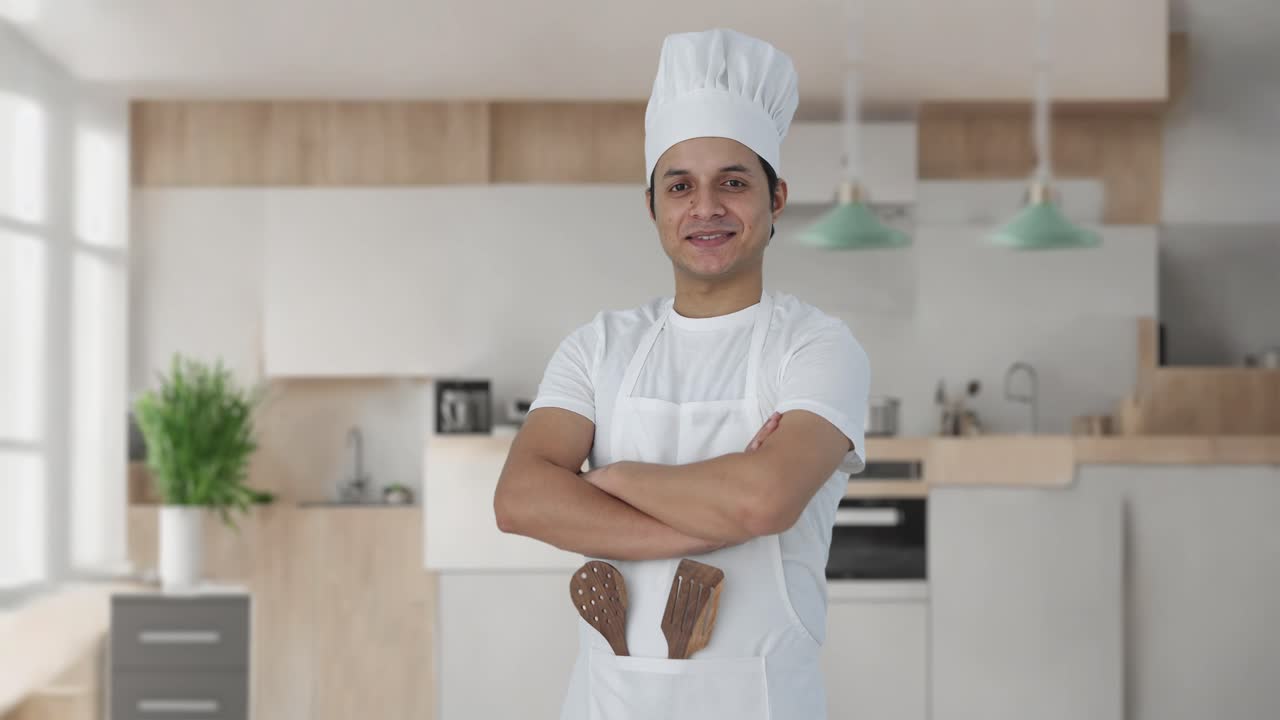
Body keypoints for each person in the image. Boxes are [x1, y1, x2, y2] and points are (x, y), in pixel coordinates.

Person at [493, 27, 870, 720]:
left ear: (776, 199)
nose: (706, 208)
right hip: (606, 702)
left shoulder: (817, 346)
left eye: (733, 182)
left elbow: (763, 503)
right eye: (680, 186)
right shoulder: (598, 346)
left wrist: (610, 480)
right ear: (653, 207)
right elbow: (519, 500)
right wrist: (711, 521)